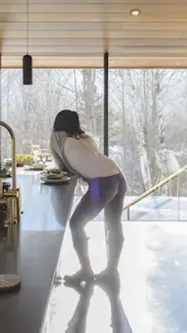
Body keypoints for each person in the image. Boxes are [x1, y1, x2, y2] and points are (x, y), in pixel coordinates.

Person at [50, 110, 125, 283]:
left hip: (102, 183)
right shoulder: (84, 138)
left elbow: (62, 167)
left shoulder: (59, 139)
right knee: (113, 223)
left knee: (76, 224)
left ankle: (86, 271)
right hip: (117, 176)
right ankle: (111, 271)